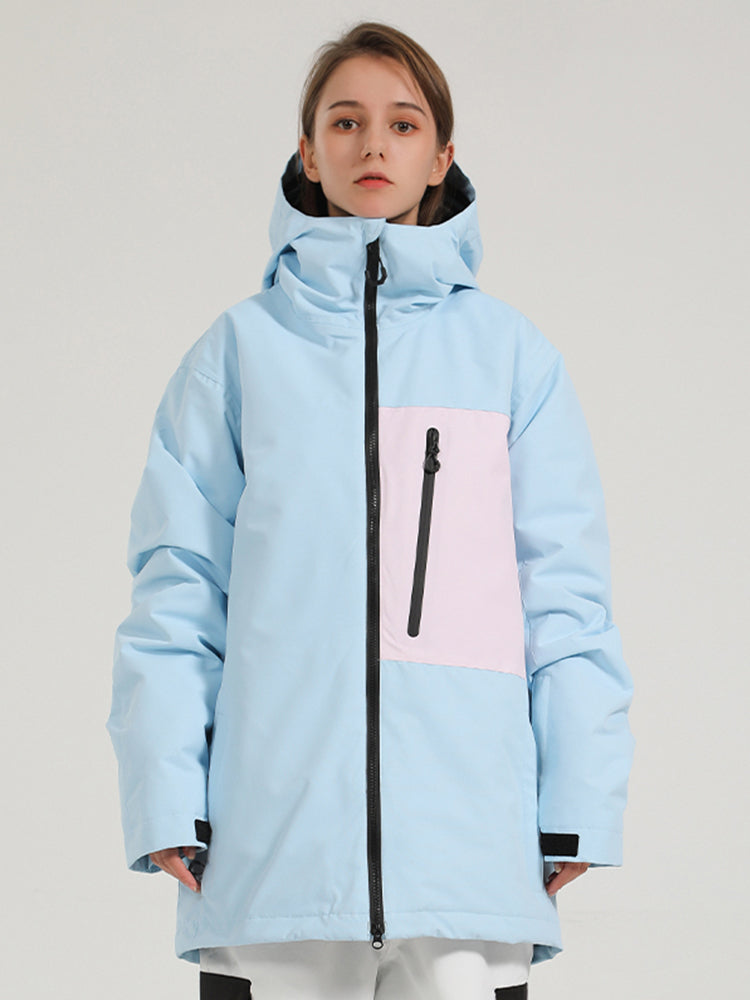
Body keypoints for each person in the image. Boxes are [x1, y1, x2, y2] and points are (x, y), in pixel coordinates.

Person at [107, 19, 634, 1000]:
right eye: (345, 122)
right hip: (272, 864)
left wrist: (578, 802)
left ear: (442, 155)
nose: (373, 144)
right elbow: (178, 589)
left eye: (403, 122)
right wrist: (167, 796)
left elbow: (562, 592)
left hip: (468, 860)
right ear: (309, 152)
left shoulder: (511, 358)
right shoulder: (238, 354)